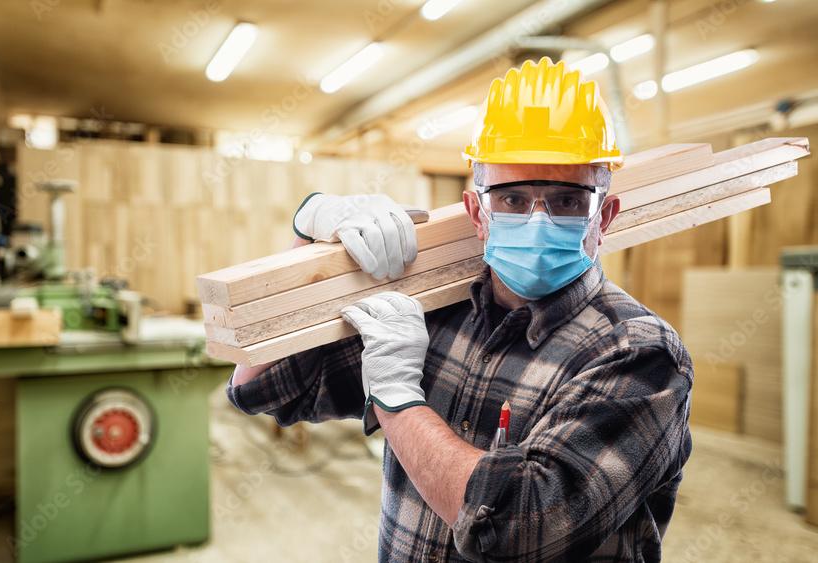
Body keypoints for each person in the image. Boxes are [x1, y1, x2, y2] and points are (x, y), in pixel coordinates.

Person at [226, 57, 693, 562]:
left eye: (566, 201)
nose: (538, 222)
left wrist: (398, 399)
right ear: (477, 214)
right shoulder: (432, 313)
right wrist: (310, 236)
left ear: (604, 215)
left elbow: (518, 530)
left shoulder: (640, 352)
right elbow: (263, 387)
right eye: (513, 200)